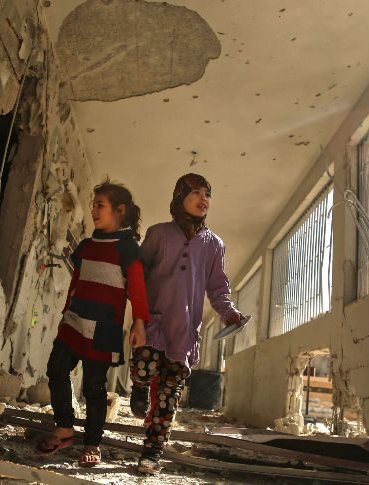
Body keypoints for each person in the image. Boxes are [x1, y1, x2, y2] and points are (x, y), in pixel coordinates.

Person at [128, 173, 243, 475]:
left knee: (168, 398)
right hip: (152, 324)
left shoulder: (214, 245)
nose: (204, 198)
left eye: (208, 193)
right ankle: (138, 387)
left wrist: (229, 312)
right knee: (142, 369)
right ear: (180, 197)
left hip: (184, 332)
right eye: (196, 192)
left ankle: (152, 453)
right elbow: (138, 275)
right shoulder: (158, 233)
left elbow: (218, 289)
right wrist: (137, 319)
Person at [37, 179, 150, 467]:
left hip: (104, 328)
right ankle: (64, 427)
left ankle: (92, 443)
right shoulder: (87, 245)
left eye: (100, 205)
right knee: (56, 369)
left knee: (94, 388)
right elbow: (76, 281)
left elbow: (137, 289)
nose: (93, 211)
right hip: (75, 321)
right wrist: (65, 313)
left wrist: (139, 323)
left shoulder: (128, 249)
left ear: (120, 210)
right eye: (93, 206)